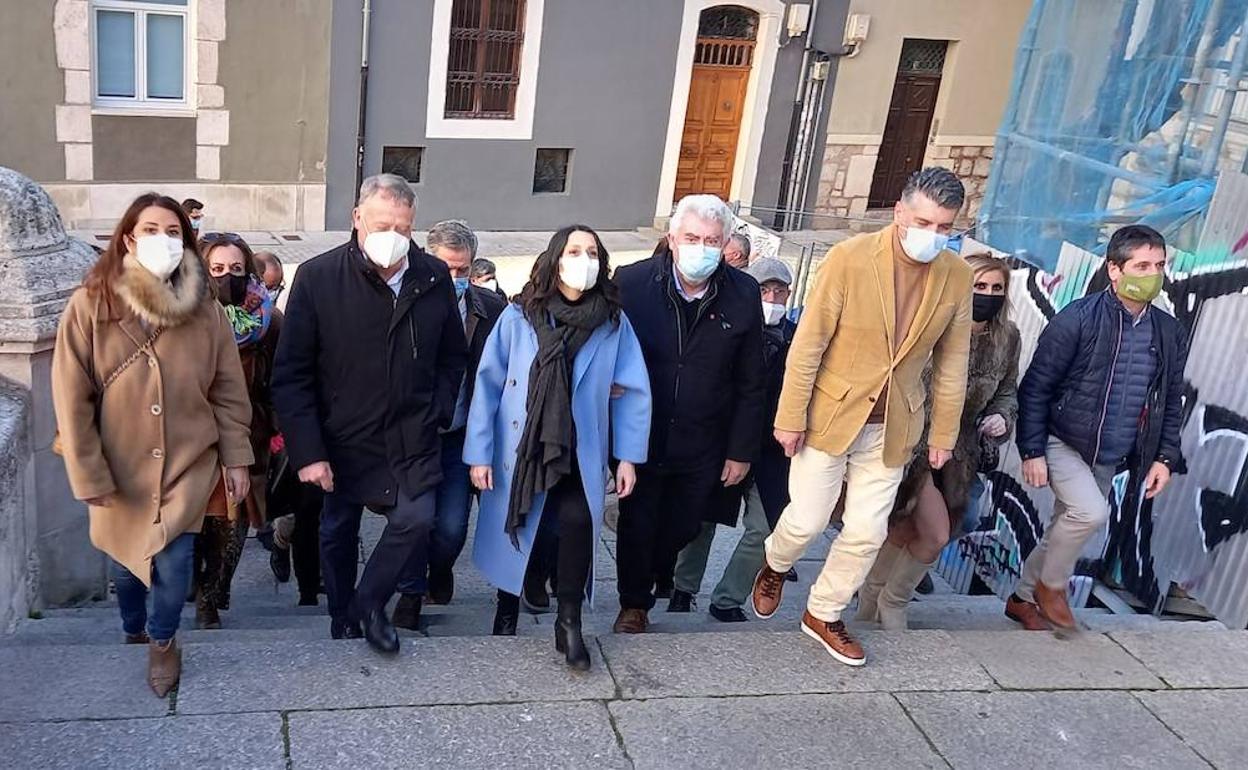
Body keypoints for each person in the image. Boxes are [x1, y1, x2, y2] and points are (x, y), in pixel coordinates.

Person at [750, 167, 973, 667]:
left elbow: (953, 362)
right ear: (898, 212)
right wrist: (789, 416)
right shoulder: (849, 259)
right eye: (923, 222)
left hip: (895, 424)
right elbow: (809, 344)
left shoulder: (956, 276)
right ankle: (775, 562)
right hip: (830, 413)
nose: (932, 236)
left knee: (867, 530)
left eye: (944, 228)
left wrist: (943, 434)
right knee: (806, 519)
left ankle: (823, 612)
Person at [51, 193, 253, 696]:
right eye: (150, 230)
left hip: (189, 459)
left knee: (177, 562)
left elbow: (228, 390)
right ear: (127, 238)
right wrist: (88, 472)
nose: (162, 240)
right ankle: (132, 626)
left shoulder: (206, 310)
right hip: (119, 463)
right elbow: (71, 393)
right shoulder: (91, 304)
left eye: (173, 232)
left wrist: (237, 458)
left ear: (186, 241)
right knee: (124, 566)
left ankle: (163, 641)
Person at [272, 173, 467, 653]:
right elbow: (291, 374)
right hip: (341, 438)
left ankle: (369, 603)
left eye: (402, 227)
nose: (392, 237)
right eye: (382, 224)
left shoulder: (431, 275)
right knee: (337, 530)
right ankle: (343, 615)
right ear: (357, 218)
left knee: (417, 520)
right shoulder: (318, 278)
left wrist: (438, 410)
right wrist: (308, 452)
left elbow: (452, 355)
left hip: (412, 434)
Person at [466, 225, 651, 669]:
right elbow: (488, 385)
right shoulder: (518, 315)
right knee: (521, 521)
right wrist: (478, 453)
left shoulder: (612, 322)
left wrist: (627, 457)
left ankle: (568, 620)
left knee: (576, 524)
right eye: (574, 250)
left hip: (579, 447)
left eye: (591, 252)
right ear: (555, 258)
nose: (583, 259)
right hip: (522, 448)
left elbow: (634, 388)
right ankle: (506, 609)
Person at [1008, 224, 1186, 630]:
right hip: (1063, 440)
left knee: (1064, 526)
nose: (1152, 274)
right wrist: (1032, 450)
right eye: (1141, 265)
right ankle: (1052, 586)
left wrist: (1164, 457)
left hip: (1113, 451)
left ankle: (1020, 598)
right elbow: (1035, 387)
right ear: (1114, 269)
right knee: (1089, 513)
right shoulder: (1078, 319)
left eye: (1159, 265)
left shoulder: (1168, 331)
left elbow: (1169, 400)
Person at [612, 194, 766, 633]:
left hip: (705, 437)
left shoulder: (743, 293)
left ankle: (661, 570)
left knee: (684, 525)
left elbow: (751, 380)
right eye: (692, 238)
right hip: (642, 432)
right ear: (672, 240)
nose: (702, 247)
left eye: (712, 240)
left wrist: (741, 451)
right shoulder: (632, 282)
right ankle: (633, 605)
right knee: (637, 521)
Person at [857, 253, 1020, 629]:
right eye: (979, 286)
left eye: (997, 288)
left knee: (913, 530)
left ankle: (874, 600)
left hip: (958, 451)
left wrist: (1001, 415)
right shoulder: (932, 324)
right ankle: (889, 601)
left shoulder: (1007, 338)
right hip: (911, 442)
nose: (988, 294)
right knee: (931, 531)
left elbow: (1007, 389)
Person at [391, 220, 507, 629]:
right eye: (446, 268)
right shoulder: (406, 302)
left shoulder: (491, 309)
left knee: (452, 526)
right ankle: (410, 594)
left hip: (462, 436)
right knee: (411, 519)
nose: (454, 278)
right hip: (414, 433)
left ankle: (439, 570)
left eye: (463, 270)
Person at [669, 257, 799, 620]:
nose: (772, 297)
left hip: (773, 452)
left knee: (765, 528)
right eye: (764, 290)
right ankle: (683, 588)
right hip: (724, 443)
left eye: (779, 290)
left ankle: (728, 598)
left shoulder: (798, 338)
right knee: (702, 520)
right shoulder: (729, 328)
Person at [191, 232, 282, 629]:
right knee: (195, 521)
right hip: (192, 437)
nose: (228, 277)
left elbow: (284, 378)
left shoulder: (268, 320)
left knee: (234, 517)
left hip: (248, 434)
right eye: (217, 269)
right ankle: (194, 583)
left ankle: (213, 594)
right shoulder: (182, 317)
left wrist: (280, 428)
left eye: (236, 269)